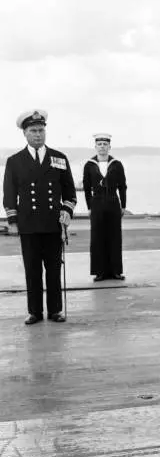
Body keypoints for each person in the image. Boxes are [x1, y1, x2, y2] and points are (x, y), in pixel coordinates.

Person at [3, 110, 77, 325]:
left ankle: (55, 311)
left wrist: (67, 210)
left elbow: (70, 192)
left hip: (53, 224)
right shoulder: (15, 161)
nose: (38, 134)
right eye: (33, 131)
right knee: (32, 271)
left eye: (41, 130)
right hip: (28, 225)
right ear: (24, 133)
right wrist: (13, 221)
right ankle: (35, 312)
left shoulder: (59, 158)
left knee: (53, 270)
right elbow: (9, 194)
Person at [83, 133, 127, 281]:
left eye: (105, 144)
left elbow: (122, 186)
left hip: (113, 202)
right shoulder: (89, 165)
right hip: (97, 203)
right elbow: (87, 188)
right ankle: (100, 272)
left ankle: (115, 271)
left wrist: (123, 206)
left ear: (109, 147)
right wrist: (89, 207)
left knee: (115, 236)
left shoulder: (117, 164)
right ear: (95, 147)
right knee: (97, 237)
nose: (102, 147)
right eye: (99, 144)